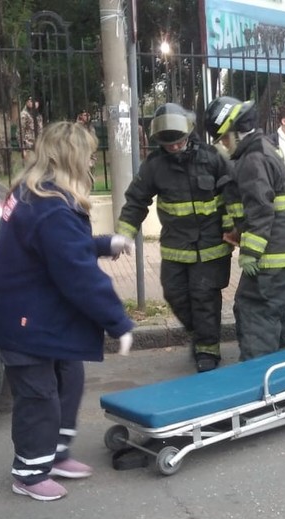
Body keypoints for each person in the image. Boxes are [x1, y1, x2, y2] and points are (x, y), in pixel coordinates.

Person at [0, 121, 134, 501]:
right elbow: (79, 276)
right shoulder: (51, 207)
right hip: (23, 320)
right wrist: (119, 322)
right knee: (39, 395)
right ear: (72, 158)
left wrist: (104, 243)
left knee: (68, 377)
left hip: (34, 313)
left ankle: (54, 454)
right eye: (89, 154)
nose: (92, 161)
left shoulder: (38, 194)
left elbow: (59, 248)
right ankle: (29, 473)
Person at [116, 103, 232, 373]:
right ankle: (200, 334)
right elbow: (136, 201)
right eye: (169, 144)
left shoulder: (212, 157)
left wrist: (233, 228)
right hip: (176, 246)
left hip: (211, 246)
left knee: (204, 297)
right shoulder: (154, 166)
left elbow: (231, 194)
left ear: (189, 133)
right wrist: (124, 234)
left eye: (179, 141)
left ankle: (207, 350)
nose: (175, 147)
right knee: (174, 294)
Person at [205, 96, 285, 361]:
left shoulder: (253, 159)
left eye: (224, 138)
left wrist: (250, 251)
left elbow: (260, 209)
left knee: (254, 310)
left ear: (236, 132)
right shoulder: (264, 148)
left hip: (272, 253)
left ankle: (259, 375)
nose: (223, 144)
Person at [20, 96, 44, 160]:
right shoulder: (24, 115)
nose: (34, 103)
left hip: (38, 146)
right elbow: (20, 132)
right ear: (27, 102)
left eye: (36, 101)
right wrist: (23, 149)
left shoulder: (38, 115)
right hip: (29, 147)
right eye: (31, 101)